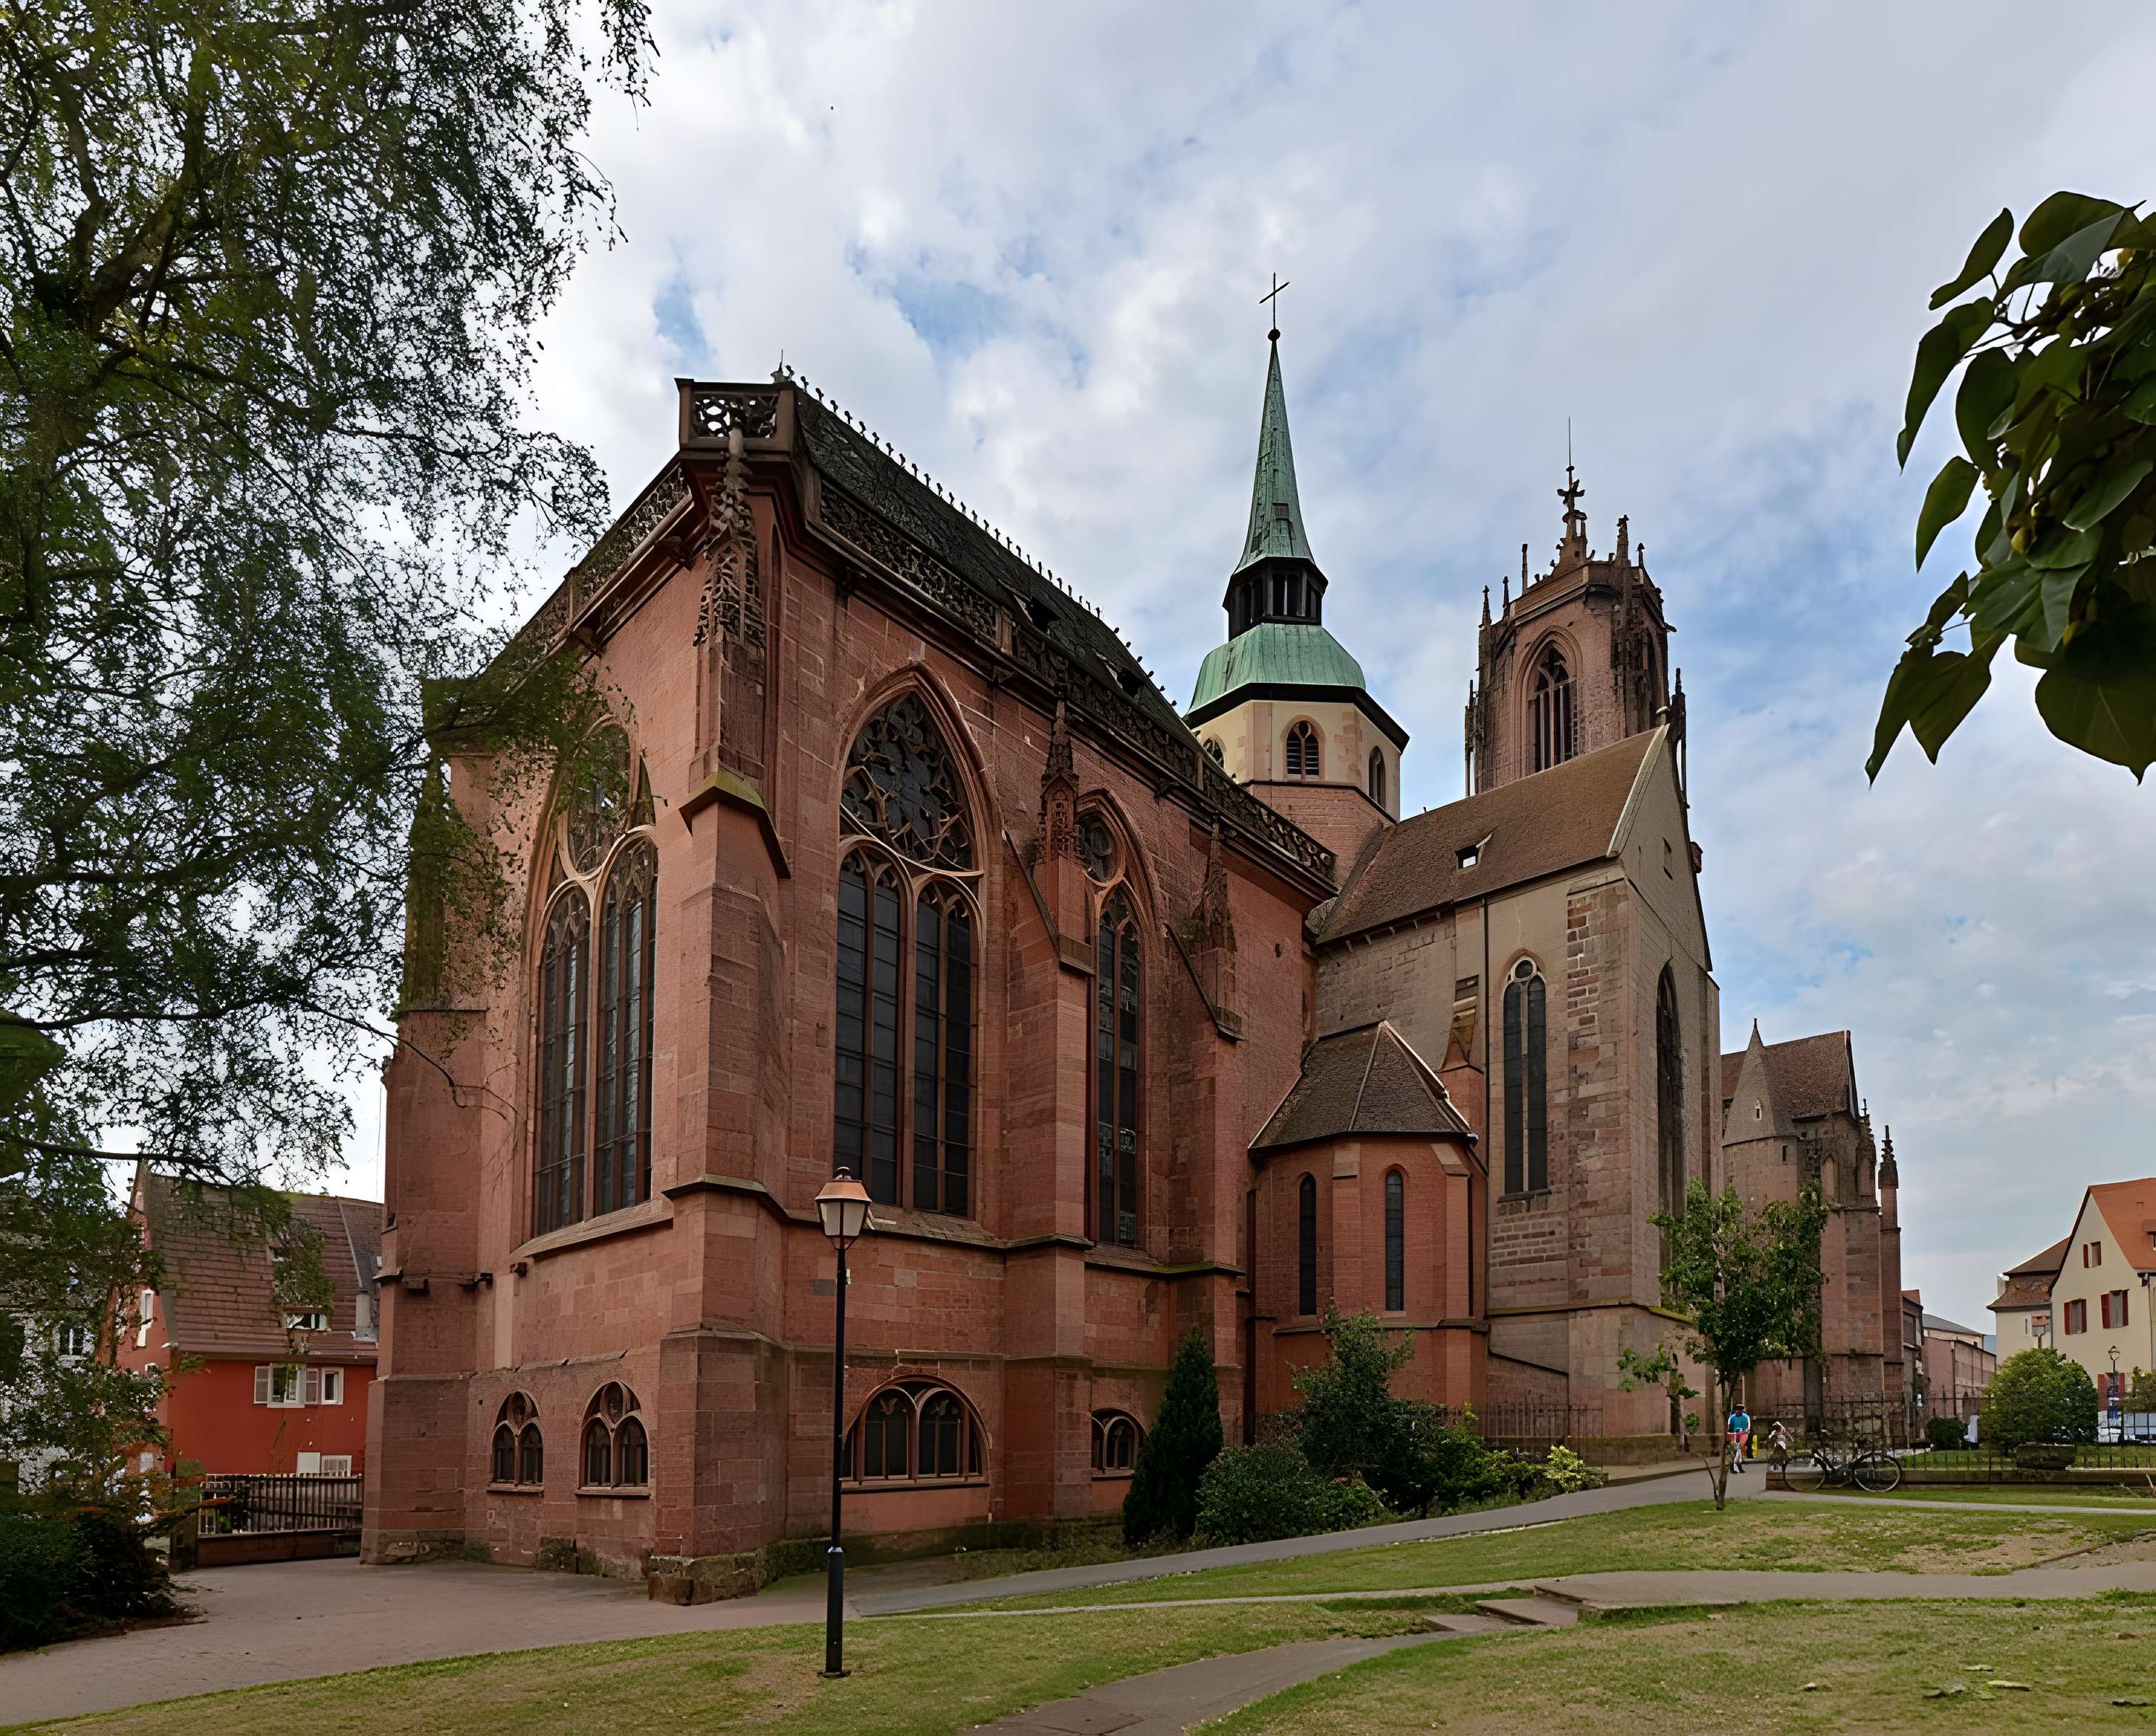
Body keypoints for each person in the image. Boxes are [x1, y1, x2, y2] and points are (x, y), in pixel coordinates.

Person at [1726, 1403, 1752, 1473]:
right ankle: (1733, 1466)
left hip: (1741, 1437)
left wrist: (1744, 1431)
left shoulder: (1746, 1417)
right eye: (1737, 1409)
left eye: (1740, 1410)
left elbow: (1748, 1428)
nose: (1738, 1411)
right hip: (1734, 1437)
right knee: (1735, 1451)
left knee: (1738, 1451)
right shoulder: (1732, 1418)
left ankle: (1738, 1466)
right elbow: (1729, 1428)